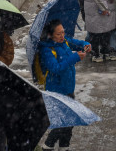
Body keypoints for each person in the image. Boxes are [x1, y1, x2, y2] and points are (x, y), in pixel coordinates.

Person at [39, 20, 90, 151]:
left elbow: (77, 43)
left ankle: (64, 147)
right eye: (58, 34)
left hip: (68, 89)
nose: (62, 36)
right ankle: (48, 146)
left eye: (63, 32)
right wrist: (74, 58)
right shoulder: (46, 49)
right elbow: (55, 68)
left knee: (69, 122)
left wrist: (85, 44)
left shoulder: (64, 41)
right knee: (62, 123)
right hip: (57, 91)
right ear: (50, 35)